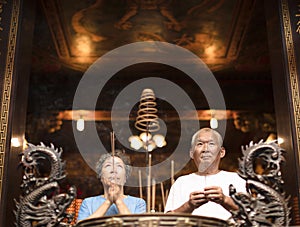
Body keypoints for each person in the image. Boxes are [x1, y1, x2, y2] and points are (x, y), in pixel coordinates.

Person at [165, 128, 246, 221]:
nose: (205, 149)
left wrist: (224, 200)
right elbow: (167, 221)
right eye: (200, 144)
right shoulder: (181, 182)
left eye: (211, 144)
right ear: (191, 153)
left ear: (222, 152)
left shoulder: (237, 179)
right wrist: (189, 205)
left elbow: (250, 215)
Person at [77, 150, 146, 222]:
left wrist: (118, 200)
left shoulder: (138, 203)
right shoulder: (88, 203)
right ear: (101, 176)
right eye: (108, 166)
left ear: (125, 177)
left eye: (119, 166)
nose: (113, 170)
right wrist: (108, 201)